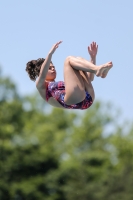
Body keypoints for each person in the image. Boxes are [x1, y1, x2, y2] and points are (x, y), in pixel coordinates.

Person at [26, 41, 113, 110]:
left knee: (79, 60)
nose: (53, 69)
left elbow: (89, 79)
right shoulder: (41, 86)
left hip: (88, 97)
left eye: (53, 67)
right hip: (72, 100)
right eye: (49, 68)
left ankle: (97, 70)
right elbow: (42, 74)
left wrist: (93, 57)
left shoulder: (65, 84)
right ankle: (97, 69)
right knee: (68, 59)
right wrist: (50, 54)